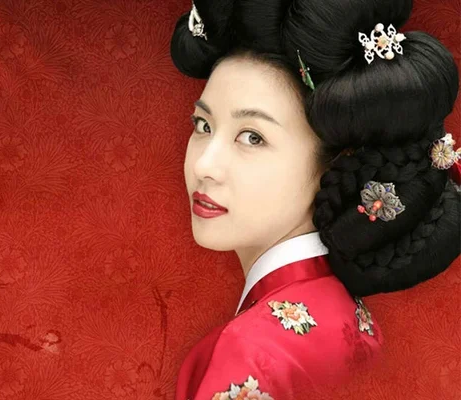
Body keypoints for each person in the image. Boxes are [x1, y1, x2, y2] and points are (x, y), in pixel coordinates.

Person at [169, 0, 461, 398]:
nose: (205, 165)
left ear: (337, 162)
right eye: (203, 125)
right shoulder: (343, 313)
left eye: (252, 137)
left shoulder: (251, 353)